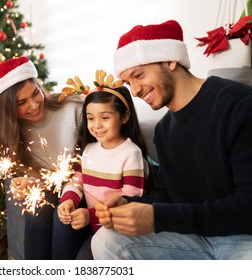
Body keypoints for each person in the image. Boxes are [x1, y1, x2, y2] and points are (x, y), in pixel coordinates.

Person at [92, 19, 252, 260]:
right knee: (107, 241)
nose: (134, 91)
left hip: (243, 236)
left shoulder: (238, 105)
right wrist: (129, 203)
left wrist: (157, 218)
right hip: (195, 236)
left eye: (138, 75)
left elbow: (248, 207)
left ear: (170, 60)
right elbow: (167, 196)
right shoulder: (164, 130)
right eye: (128, 83)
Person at [0, 56, 86, 260]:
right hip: (48, 190)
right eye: (21, 102)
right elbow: (28, 177)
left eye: (35, 93)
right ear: (8, 109)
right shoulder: (12, 133)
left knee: (64, 220)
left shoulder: (73, 106)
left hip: (83, 186)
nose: (33, 105)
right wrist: (23, 183)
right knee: (37, 211)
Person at [57, 70, 151, 259]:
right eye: (91, 118)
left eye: (105, 118)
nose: (97, 125)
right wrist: (68, 199)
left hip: (118, 233)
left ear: (124, 117)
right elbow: (77, 181)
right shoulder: (89, 149)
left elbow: (130, 201)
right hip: (92, 227)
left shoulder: (131, 153)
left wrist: (89, 215)